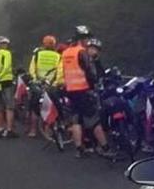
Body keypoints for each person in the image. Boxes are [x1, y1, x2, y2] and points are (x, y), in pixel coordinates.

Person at [61, 26, 111, 158]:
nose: (88, 41)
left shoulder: (66, 53)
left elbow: (64, 72)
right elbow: (90, 72)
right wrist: (94, 85)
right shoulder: (82, 52)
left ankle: (79, 149)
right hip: (84, 89)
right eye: (87, 38)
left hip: (71, 90)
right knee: (94, 120)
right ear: (82, 39)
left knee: (76, 120)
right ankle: (105, 147)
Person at [27, 35, 61, 137]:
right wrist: (55, 83)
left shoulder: (38, 54)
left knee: (34, 106)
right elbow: (59, 71)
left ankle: (33, 130)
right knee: (51, 106)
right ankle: (48, 130)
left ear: (43, 44)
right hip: (50, 85)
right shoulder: (58, 56)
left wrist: (34, 80)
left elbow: (32, 69)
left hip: (38, 84)